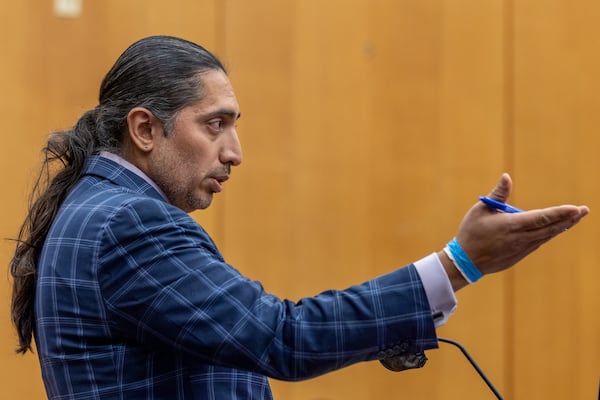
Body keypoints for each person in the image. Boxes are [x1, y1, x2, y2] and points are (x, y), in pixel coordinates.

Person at [9, 35, 588, 400]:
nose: (235, 152)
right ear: (144, 129)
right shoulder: (130, 225)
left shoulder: (98, 208)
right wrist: (458, 263)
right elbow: (282, 338)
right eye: (215, 124)